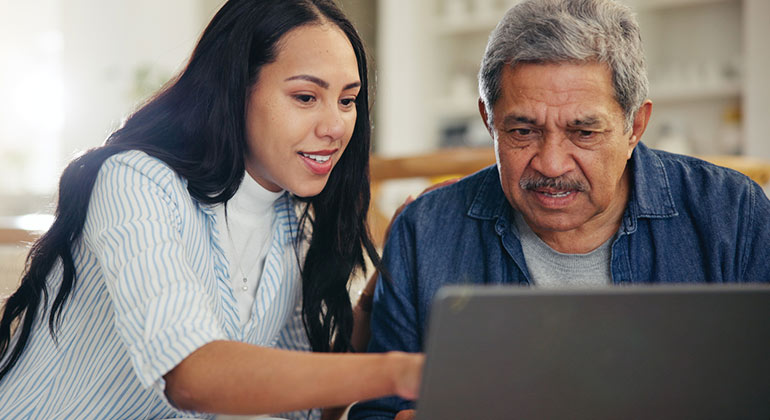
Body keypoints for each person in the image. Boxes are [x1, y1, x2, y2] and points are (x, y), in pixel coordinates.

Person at [0, 1, 423, 419]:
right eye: (306, 96)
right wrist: (401, 373)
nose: (334, 127)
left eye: (347, 101)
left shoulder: (292, 225)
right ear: (236, 88)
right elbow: (192, 376)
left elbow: (300, 410)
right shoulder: (135, 182)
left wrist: (382, 291)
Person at [349, 0, 770, 418]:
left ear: (634, 127)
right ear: (488, 120)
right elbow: (380, 411)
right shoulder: (424, 231)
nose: (551, 163)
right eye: (523, 131)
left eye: (583, 132)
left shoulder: (732, 214)